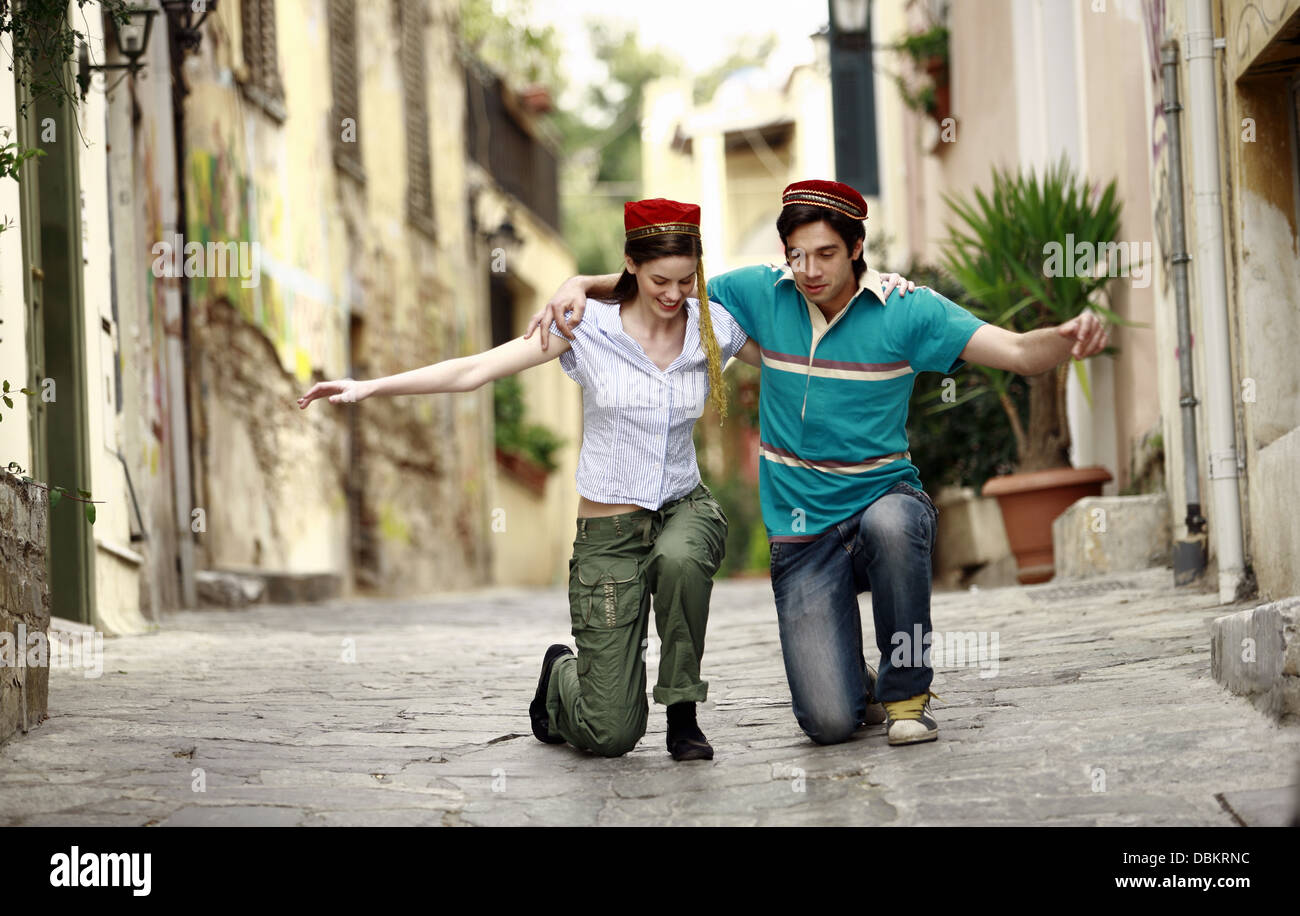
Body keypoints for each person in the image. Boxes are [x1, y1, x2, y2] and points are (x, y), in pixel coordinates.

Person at [298, 198, 913, 759]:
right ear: (630, 268)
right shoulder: (583, 326)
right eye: (658, 281)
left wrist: (876, 288)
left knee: (680, 557)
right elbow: (476, 371)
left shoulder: (713, 325)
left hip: (683, 507)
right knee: (609, 734)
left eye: (685, 280)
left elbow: (809, 341)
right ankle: (563, 677)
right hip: (608, 528)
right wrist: (369, 386)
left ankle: (682, 713)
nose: (673, 295)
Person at [530, 179, 1109, 748]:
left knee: (896, 523)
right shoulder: (760, 292)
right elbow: (668, 284)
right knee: (830, 723)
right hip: (803, 535)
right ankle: (852, 677)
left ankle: (906, 696)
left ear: (857, 247)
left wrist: (1065, 337)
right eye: (797, 254)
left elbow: (1017, 352)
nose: (809, 269)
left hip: (881, 503)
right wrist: (581, 282)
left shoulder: (907, 309)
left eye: (826, 253)